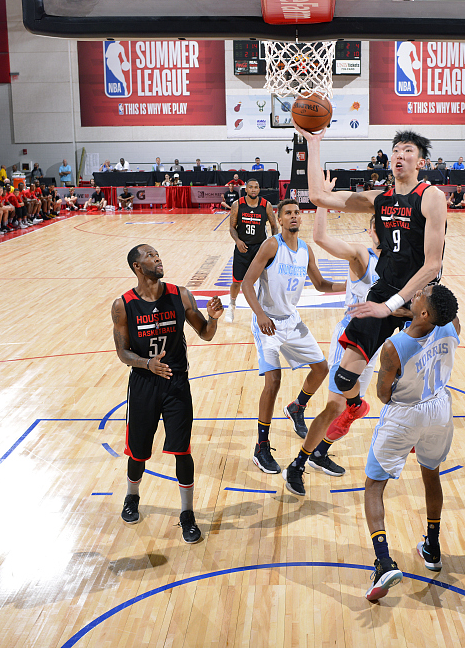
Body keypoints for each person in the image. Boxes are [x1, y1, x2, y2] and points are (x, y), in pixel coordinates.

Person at [285, 127, 448, 496]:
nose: (400, 155)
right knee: (342, 386)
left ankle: (415, 444)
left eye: (408, 150)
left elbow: (432, 265)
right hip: (383, 294)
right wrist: (313, 143)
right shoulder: (379, 200)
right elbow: (317, 196)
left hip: (420, 300)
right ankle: (319, 442)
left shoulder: (431, 196)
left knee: (419, 391)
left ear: (421, 162)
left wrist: (390, 308)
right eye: (395, 150)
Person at [111, 245, 224, 543]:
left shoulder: (180, 294)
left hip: (176, 383)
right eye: (150, 256)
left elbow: (205, 333)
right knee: (138, 452)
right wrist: (147, 364)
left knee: (182, 450)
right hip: (144, 385)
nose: (158, 258)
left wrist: (212, 318)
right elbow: (122, 352)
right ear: (137, 266)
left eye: (158, 254)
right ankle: (132, 496)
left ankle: (187, 513)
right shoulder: (123, 305)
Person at [362, 284, 460, 602]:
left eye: (421, 295)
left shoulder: (395, 346)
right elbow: (441, 318)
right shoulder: (450, 326)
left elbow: (382, 393)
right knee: (431, 473)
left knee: (374, 486)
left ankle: (384, 562)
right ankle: (432, 546)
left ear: (423, 312)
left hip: (405, 414)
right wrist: (410, 313)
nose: (417, 291)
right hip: (440, 411)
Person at [241, 200, 343, 476]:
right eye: (288, 213)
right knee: (273, 380)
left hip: (292, 322)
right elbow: (246, 283)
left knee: (321, 368)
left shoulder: (306, 250)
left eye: (297, 212)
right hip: (268, 324)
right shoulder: (272, 245)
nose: (294, 216)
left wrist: (353, 284)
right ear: (280, 220)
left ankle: (297, 406)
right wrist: (260, 314)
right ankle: (261, 447)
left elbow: (321, 284)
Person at [283, 206, 383, 487]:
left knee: (347, 412)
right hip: (351, 339)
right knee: (334, 406)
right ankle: (297, 465)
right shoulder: (363, 256)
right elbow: (321, 238)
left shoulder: (398, 265)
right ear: (372, 230)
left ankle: (320, 452)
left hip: (375, 344)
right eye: (379, 226)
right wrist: (323, 202)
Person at [225, 179, 278, 323]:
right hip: (242, 248)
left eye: (256, 187)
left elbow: (274, 225)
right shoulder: (237, 205)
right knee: (237, 282)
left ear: (259, 189)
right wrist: (237, 241)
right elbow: (231, 228)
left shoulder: (266, 205)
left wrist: (273, 242)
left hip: (260, 250)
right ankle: (232, 305)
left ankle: (267, 309)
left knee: (266, 281)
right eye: (251, 187)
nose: (253, 190)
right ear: (246, 189)